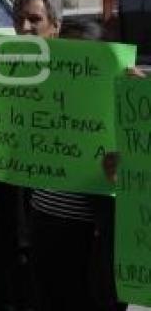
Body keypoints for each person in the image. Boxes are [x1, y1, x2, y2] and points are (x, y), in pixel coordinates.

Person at [29, 17, 136, 311]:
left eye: (81, 60)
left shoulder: (125, 104)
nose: (71, 68)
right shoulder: (39, 96)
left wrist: (142, 108)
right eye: (63, 57)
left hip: (94, 241)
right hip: (44, 230)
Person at [0, 0, 62, 311]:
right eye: (19, 19)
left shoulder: (77, 80)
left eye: (35, 19)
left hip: (52, 227)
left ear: (55, 27)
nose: (26, 27)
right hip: (4, 221)